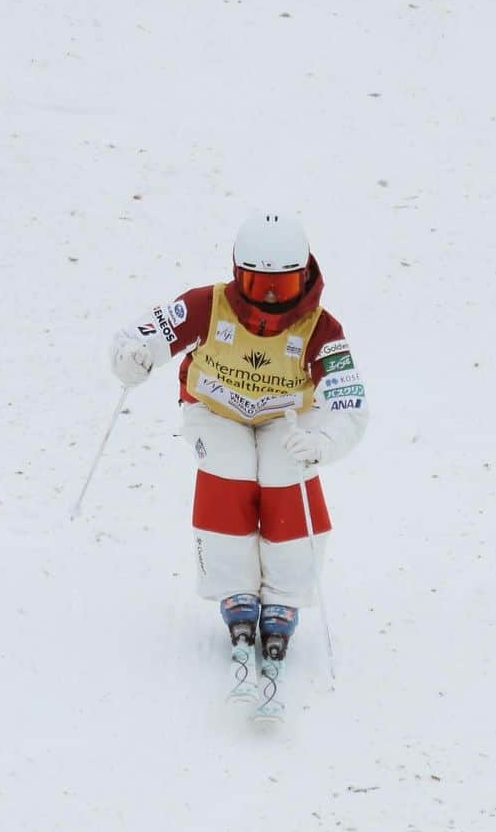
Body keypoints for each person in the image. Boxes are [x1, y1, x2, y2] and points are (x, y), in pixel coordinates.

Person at [109, 212, 368, 674]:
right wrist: (133, 357)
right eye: (255, 283)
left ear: (303, 276)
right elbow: (142, 334)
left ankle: (286, 597)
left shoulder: (320, 329)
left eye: (282, 287)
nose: (268, 298)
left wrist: (323, 441)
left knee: (287, 470)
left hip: (285, 416)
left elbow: (349, 403)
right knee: (229, 466)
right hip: (214, 408)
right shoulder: (208, 306)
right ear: (237, 274)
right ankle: (235, 588)